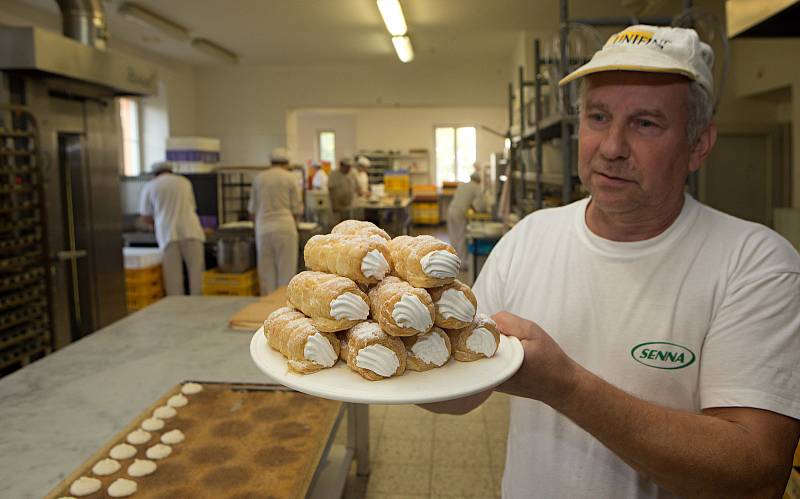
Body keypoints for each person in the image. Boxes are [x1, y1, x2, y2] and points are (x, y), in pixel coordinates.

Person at [424, 25, 800, 498]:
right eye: (598, 117)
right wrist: (396, 350)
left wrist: (567, 387)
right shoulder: (531, 237)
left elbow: (756, 473)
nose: (612, 146)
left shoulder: (755, 265)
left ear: (699, 144)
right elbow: (463, 392)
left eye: (646, 124)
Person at [138, 161, 206, 296]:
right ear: (171, 171)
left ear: (154, 174)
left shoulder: (150, 186)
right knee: (197, 274)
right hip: (191, 230)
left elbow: (145, 217)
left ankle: (176, 309)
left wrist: (155, 221)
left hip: (167, 233)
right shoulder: (184, 182)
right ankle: (200, 307)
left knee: (173, 277)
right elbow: (192, 206)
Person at [248, 147, 303, 295]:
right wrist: (296, 225)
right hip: (285, 228)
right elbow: (296, 209)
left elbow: (252, 211)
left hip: (263, 228)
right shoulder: (291, 178)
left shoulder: (259, 178)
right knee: (286, 273)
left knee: (266, 275)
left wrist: (257, 229)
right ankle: (284, 311)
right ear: (287, 162)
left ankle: (267, 310)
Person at [447, 167, 487, 267]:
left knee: (453, 236)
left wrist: (472, 206)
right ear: (478, 180)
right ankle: (463, 263)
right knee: (461, 236)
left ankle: (453, 260)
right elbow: (480, 204)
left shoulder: (463, 184)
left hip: (451, 209)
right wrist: (479, 209)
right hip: (460, 212)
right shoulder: (476, 187)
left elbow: (464, 198)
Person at [328, 157, 357, 225]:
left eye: (349, 167)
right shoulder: (333, 174)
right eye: (347, 167)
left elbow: (357, 187)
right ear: (341, 165)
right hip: (338, 207)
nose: (348, 169)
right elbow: (331, 190)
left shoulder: (352, 174)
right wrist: (334, 206)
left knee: (349, 226)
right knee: (338, 226)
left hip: (349, 206)